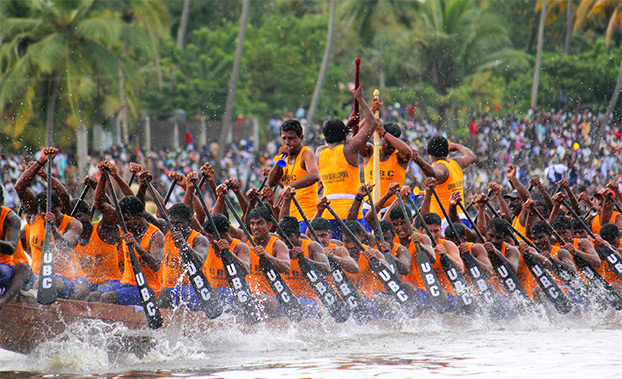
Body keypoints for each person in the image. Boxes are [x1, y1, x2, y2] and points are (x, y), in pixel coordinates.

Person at [15, 147, 89, 300]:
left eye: (53, 212)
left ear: (60, 207)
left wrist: (54, 228)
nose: (47, 215)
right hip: (36, 276)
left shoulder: (73, 224)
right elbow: (20, 187)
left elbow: (64, 245)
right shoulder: (36, 215)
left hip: (66, 279)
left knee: (47, 283)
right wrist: (40, 163)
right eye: (44, 213)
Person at [316, 85, 378, 240]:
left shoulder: (319, 153)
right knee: (356, 252)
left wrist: (347, 127)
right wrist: (360, 99)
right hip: (352, 213)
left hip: (328, 213)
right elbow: (372, 123)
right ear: (345, 136)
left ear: (325, 137)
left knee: (335, 254)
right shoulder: (350, 150)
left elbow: (339, 142)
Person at [94, 194, 164, 306]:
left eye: (126, 220)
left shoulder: (155, 235)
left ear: (138, 216)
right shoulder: (126, 229)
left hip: (148, 288)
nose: (123, 224)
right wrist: (102, 178)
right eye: (121, 220)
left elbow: (156, 264)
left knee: (108, 297)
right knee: (94, 296)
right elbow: (100, 205)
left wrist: (135, 245)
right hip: (126, 283)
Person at [72, 171, 123, 292]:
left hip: (110, 282)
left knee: (97, 292)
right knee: (77, 292)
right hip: (87, 284)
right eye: (72, 218)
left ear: (89, 214)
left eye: (78, 216)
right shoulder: (71, 236)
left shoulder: (102, 229)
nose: (75, 222)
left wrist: (98, 186)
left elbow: (110, 212)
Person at [411, 135, 476, 229]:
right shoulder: (456, 163)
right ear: (447, 150)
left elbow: (433, 173)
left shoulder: (440, 167)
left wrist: (418, 160)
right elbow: (471, 156)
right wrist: (457, 146)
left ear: (428, 152)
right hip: (461, 219)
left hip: (445, 223)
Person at [268, 119, 319, 233]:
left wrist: (288, 187)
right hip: (290, 218)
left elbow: (314, 175)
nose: (287, 142)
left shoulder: (306, 152)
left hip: (307, 216)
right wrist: (280, 158)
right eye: (284, 138)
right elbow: (271, 182)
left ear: (301, 138)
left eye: (291, 138)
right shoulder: (284, 158)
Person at [158, 203, 210, 310]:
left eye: (178, 223)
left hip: (193, 288)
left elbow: (199, 261)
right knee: (164, 293)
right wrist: (144, 187)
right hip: (168, 289)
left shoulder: (199, 239)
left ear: (189, 222)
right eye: (172, 223)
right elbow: (144, 215)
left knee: (166, 293)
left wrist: (184, 245)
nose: (175, 228)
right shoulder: (166, 230)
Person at [279, 216, 330, 316]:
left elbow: (327, 269)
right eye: (282, 237)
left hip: (311, 299)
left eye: (289, 236)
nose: (285, 241)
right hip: (286, 297)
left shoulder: (312, 246)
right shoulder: (278, 246)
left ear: (298, 235)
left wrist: (305, 260)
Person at [245, 206, 291, 317]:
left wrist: (266, 256)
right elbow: (218, 227)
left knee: (254, 300)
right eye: (252, 224)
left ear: (269, 225)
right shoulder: (246, 241)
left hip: (274, 297)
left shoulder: (277, 245)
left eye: (260, 223)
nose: (255, 227)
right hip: (250, 296)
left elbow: (286, 267)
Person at [202, 213, 252, 312]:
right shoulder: (207, 245)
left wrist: (228, 252)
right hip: (212, 295)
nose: (209, 240)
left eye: (211, 237)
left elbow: (245, 270)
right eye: (207, 236)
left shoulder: (240, 247)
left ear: (224, 235)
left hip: (235, 295)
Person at [360, 121, 411, 213]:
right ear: (380, 138)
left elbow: (408, 152)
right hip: (369, 207)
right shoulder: (370, 151)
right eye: (387, 141)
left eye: (393, 141)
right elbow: (357, 140)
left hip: (392, 209)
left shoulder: (400, 157)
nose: (390, 145)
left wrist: (384, 133)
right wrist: (369, 119)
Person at [0, 185, 34, 308]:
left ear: (2, 201)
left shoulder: (11, 219)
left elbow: (11, 248)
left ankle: (3, 302)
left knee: (22, 267)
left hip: (11, 269)